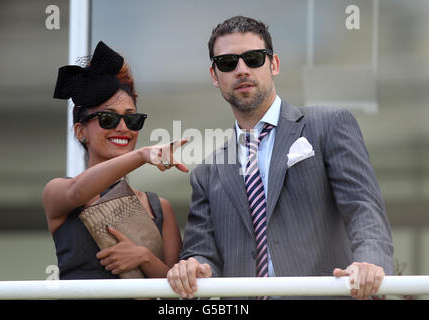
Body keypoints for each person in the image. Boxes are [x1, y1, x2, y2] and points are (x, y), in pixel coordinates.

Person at [167, 16, 394, 300]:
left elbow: (362, 206)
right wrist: (194, 267)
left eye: (253, 59)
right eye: (227, 63)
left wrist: (371, 261)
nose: (241, 70)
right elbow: (201, 252)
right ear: (215, 75)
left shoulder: (328, 125)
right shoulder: (207, 172)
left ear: (273, 64)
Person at [44, 41, 187, 279]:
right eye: (108, 119)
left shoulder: (159, 208)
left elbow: (177, 292)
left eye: (132, 120)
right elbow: (77, 193)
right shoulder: (58, 192)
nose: (123, 128)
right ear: (81, 132)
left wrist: (144, 256)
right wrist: (141, 156)